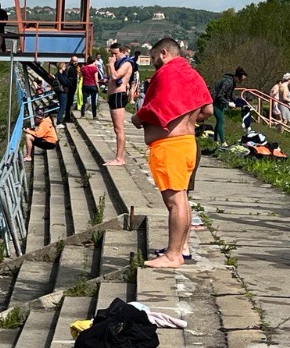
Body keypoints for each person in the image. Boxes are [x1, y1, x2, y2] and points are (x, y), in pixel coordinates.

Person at [132, 37, 213, 268]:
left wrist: (138, 118)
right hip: (188, 143)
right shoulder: (193, 75)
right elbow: (207, 109)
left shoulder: (167, 74)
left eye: (156, 59)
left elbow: (156, 107)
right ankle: (181, 248)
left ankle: (173, 254)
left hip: (170, 147)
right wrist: (187, 120)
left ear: (165, 53)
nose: (155, 64)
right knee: (183, 199)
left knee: (175, 202)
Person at [104, 43, 133, 166]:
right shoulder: (117, 64)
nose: (113, 56)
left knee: (119, 128)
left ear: (122, 52)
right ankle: (118, 156)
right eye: (111, 54)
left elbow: (115, 76)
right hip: (113, 96)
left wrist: (111, 64)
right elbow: (110, 76)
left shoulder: (126, 64)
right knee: (116, 129)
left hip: (118, 95)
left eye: (115, 53)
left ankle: (120, 158)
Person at [210, 66, 250, 146]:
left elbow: (231, 95)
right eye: (241, 80)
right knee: (221, 120)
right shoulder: (228, 82)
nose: (242, 82)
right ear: (237, 77)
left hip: (219, 102)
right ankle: (223, 142)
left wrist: (240, 102)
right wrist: (228, 103)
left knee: (219, 120)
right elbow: (219, 95)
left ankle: (215, 140)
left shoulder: (233, 82)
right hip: (214, 101)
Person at [55, 60, 76, 126]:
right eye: (64, 66)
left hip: (65, 91)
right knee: (62, 106)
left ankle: (59, 120)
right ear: (61, 67)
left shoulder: (63, 74)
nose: (65, 67)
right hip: (62, 92)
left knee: (63, 106)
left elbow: (67, 81)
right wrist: (69, 84)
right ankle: (58, 122)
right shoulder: (59, 74)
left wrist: (70, 85)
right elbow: (64, 82)